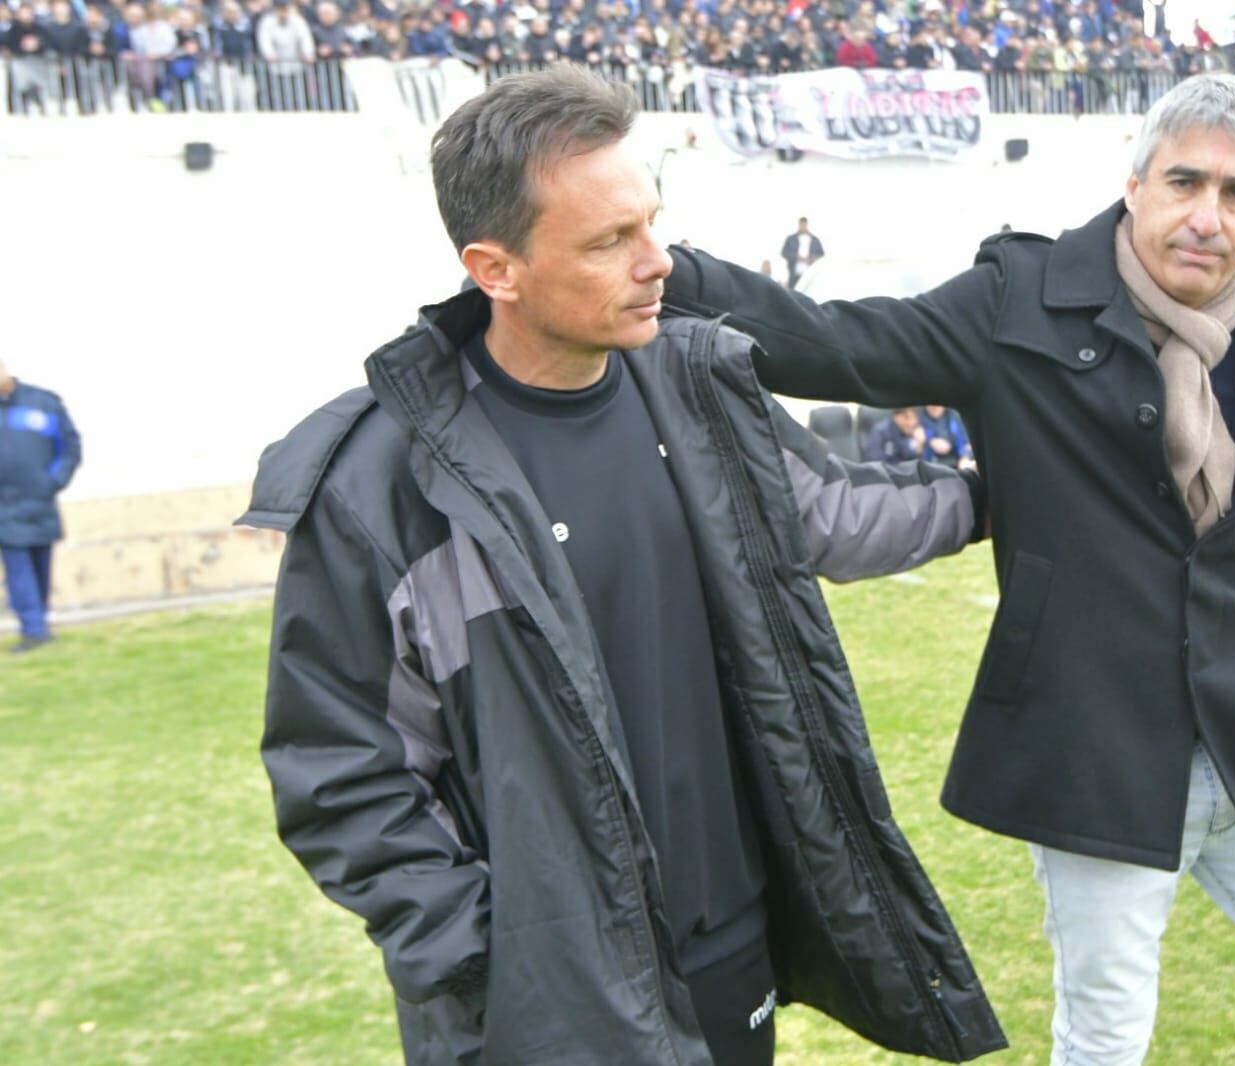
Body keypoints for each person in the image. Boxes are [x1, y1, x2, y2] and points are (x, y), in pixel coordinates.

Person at [241, 67, 1004, 1066]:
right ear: (495, 268)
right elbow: (344, 772)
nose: (660, 263)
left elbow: (839, 517)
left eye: (653, 223)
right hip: (551, 1006)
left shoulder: (694, 389)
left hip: (733, 953)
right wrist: (491, 958)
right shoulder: (381, 485)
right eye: (610, 241)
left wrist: (1015, 492)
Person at [664, 73, 1235, 1064]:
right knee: (1105, 1036)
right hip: (1100, 751)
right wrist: (663, 266)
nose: (1208, 217)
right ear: (1134, 183)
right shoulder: (1018, 301)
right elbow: (840, 347)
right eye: (1185, 182)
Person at [0, 360, 81, 653]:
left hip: (40, 501)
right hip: (4, 508)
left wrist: (53, 481)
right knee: (18, 567)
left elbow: (70, 447)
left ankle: (40, 623)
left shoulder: (42, 403)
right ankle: (33, 629)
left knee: (41, 565)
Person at [920, 405, 978, 469]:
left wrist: (965, 457)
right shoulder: (920, 419)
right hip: (931, 464)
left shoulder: (955, 415)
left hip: (957, 462)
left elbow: (968, 443)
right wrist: (928, 441)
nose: (934, 407)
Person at [780, 216, 824, 289]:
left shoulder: (815, 240)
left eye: (804, 224)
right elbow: (784, 252)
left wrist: (812, 258)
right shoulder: (791, 239)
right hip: (794, 273)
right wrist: (795, 257)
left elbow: (821, 255)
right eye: (801, 224)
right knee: (793, 293)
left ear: (807, 225)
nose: (803, 226)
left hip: (809, 274)